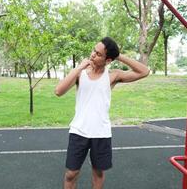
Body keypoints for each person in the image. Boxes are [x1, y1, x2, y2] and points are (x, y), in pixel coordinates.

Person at [55, 37, 149, 189]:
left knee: (98, 174)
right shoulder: (81, 74)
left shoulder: (113, 75)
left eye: (98, 54)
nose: (93, 55)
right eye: (94, 50)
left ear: (108, 60)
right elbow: (58, 91)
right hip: (79, 131)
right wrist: (79, 68)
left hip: (101, 133)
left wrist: (119, 55)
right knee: (71, 174)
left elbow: (144, 71)